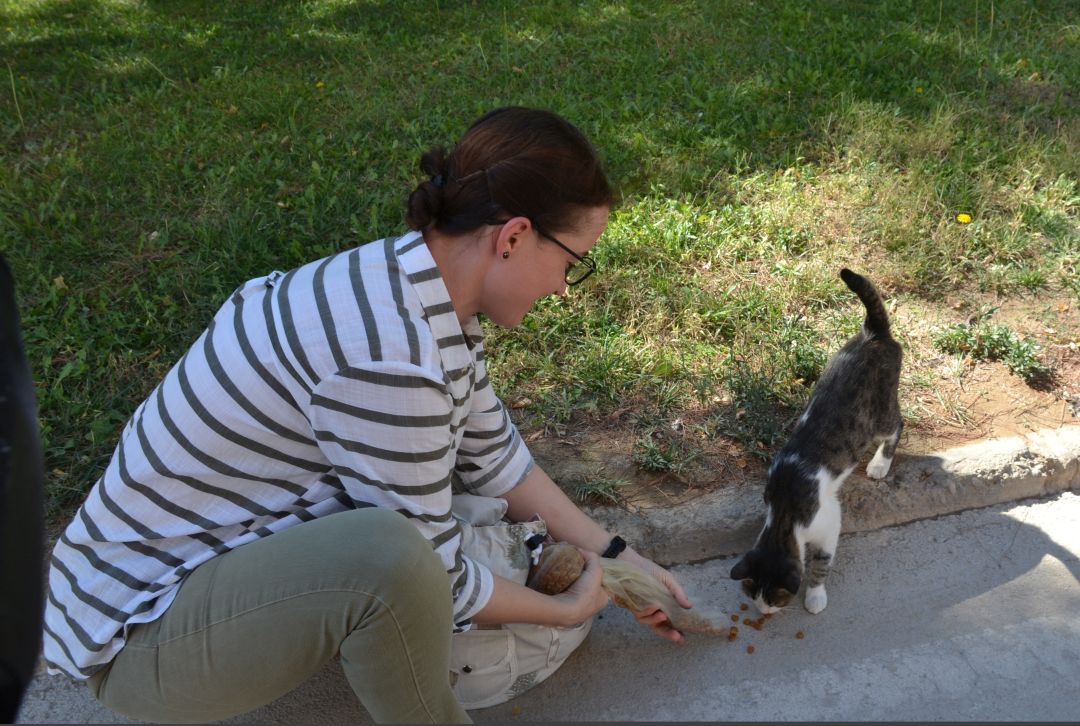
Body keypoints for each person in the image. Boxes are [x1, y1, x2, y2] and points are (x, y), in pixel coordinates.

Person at [42, 106, 692, 724]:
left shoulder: (413, 291)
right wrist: (570, 609)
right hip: (139, 639)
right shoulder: (390, 354)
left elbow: (494, 459)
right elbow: (434, 573)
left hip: (184, 584)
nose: (561, 289)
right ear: (515, 236)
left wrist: (618, 557)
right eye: (571, 264)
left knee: (427, 510)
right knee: (391, 559)